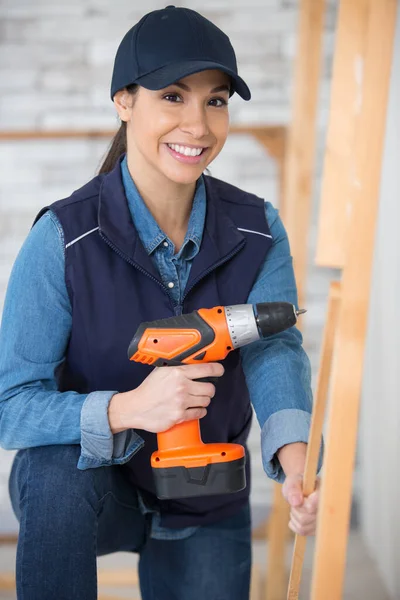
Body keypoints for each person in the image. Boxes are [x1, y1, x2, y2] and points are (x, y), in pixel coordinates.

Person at [0, 6, 321, 600]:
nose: (198, 126)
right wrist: (125, 409)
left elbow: (275, 352)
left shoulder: (257, 230)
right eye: (173, 97)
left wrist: (296, 461)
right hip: (92, 490)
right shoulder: (64, 240)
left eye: (216, 101)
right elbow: (10, 405)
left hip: (206, 490)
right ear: (124, 100)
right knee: (50, 477)